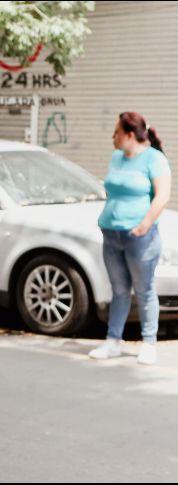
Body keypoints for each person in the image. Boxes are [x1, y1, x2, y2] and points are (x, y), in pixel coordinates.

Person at [89, 112, 171, 365]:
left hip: (140, 238)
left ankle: (148, 343)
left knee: (144, 290)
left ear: (129, 135)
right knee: (120, 290)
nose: (112, 137)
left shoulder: (154, 159)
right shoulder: (116, 157)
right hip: (112, 234)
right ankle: (113, 341)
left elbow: (162, 196)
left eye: (116, 132)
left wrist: (143, 225)